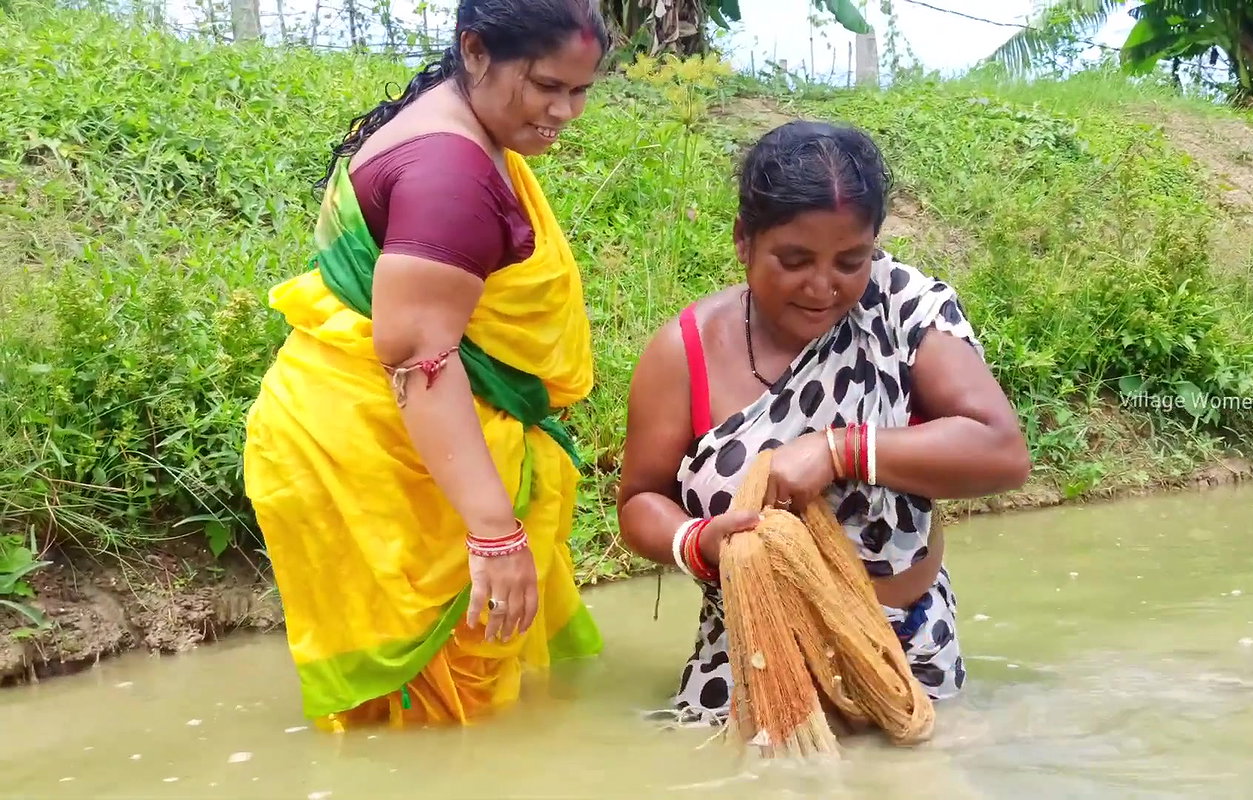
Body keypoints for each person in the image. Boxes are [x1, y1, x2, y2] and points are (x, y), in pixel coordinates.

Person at [242, 0, 610, 729]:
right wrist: (495, 533)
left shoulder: (457, 124)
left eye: (581, 90)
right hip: (379, 455)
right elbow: (419, 359)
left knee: (460, 701)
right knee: (442, 711)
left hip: (385, 436)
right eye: (546, 86)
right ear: (475, 50)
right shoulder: (450, 176)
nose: (566, 111)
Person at [616, 121, 1032, 723]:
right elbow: (638, 502)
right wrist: (701, 544)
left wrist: (841, 450)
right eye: (794, 259)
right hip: (753, 655)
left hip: (906, 653)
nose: (822, 286)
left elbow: (1001, 451)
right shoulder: (686, 352)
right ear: (743, 241)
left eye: (850, 260)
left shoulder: (901, 309)